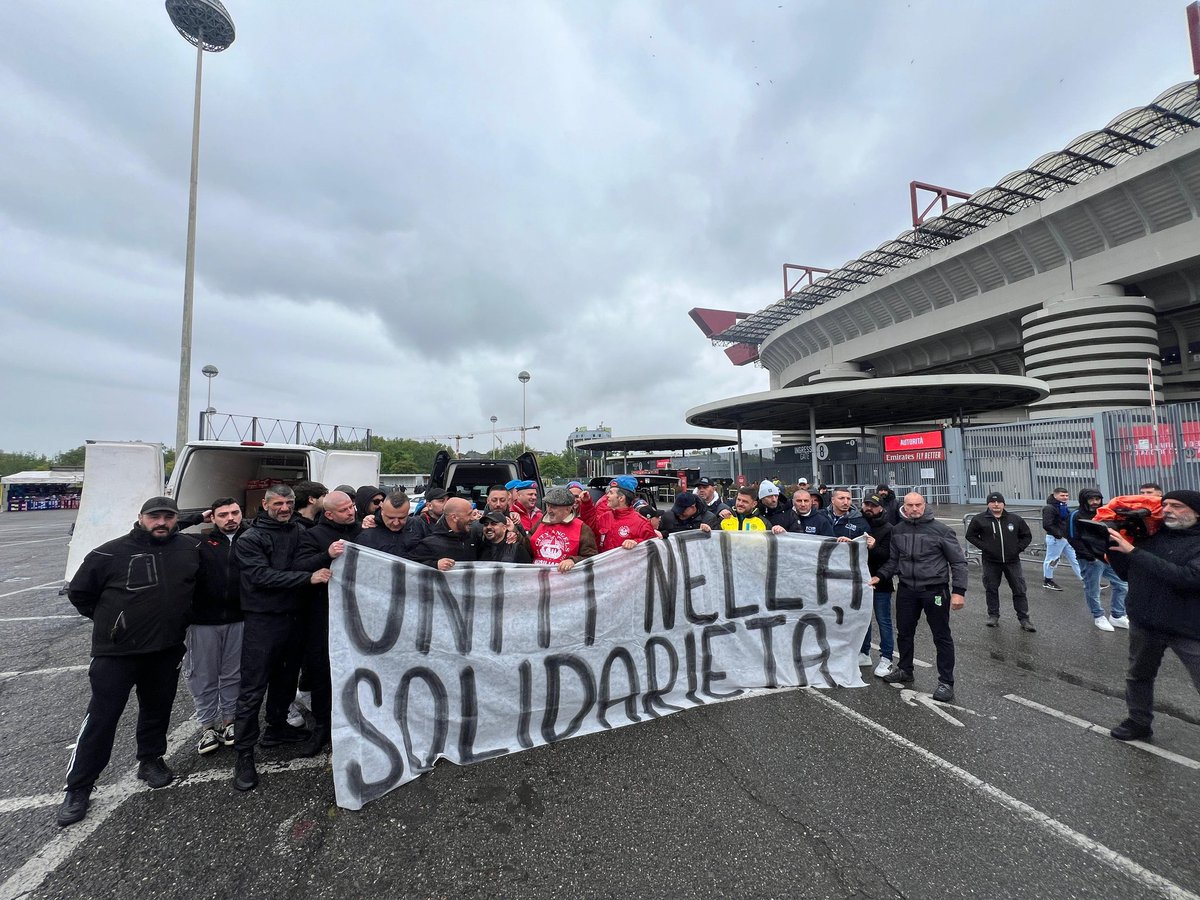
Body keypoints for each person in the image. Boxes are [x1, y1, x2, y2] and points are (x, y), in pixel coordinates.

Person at [57, 497, 199, 827]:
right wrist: (112, 622)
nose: (161, 522)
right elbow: (80, 593)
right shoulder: (109, 553)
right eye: (155, 516)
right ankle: (78, 786)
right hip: (116, 653)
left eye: (168, 516)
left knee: (157, 708)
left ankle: (150, 760)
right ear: (140, 517)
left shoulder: (189, 549)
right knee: (101, 718)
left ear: (176, 519)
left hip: (165, 649)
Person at [231, 485, 331, 792]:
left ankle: (276, 729)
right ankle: (244, 754)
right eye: (278, 503)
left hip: (295, 618)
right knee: (252, 688)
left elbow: (322, 545)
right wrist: (307, 578)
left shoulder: (300, 531)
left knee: (286, 680)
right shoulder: (250, 538)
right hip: (264, 620)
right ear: (265, 504)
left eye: (288, 502)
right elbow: (260, 576)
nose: (284, 507)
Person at [1106, 490, 1200, 741]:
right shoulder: (1151, 535)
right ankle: (1138, 721)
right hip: (1145, 621)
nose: (1168, 510)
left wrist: (1134, 552)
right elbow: (1128, 573)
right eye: (1165, 505)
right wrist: (1113, 548)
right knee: (1138, 675)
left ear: (1196, 512)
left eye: (1177, 506)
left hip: (1188, 627)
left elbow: (1190, 579)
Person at [875, 492, 967, 703]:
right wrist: (879, 576)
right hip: (907, 590)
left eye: (918, 505)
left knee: (941, 636)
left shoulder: (942, 531)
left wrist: (959, 592)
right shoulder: (897, 531)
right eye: (910, 505)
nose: (914, 509)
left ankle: (946, 681)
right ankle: (905, 669)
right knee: (904, 632)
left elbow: (958, 563)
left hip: (934, 591)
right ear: (904, 507)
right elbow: (894, 561)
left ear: (925, 505)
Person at [292, 491, 362, 756]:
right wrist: (326, 555)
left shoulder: (362, 530)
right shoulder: (312, 535)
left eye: (352, 507)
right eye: (344, 510)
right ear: (329, 513)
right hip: (324, 616)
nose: (351, 512)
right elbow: (299, 566)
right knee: (323, 673)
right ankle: (323, 725)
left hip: (359, 615)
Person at [187, 497, 247, 756]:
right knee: (202, 675)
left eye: (235, 513)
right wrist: (197, 517)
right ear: (213, 517)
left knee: (233, 673)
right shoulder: (198, 543)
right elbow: (156, 528)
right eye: (223, 514)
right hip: (203, 621)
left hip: (239, 617)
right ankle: (207, 726)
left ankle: (229, 721)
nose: (230, 518)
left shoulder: (250, 537)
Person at [965, 492, 1035, 632]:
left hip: (1012, 561)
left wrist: (1018, 549)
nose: (996, 505)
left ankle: (1024, 619)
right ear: (988, 504)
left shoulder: (1015, 519)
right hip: (991, 561)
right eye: (992, 502)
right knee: (991, 588)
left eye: (999, 502)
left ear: (1004, 504)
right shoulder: (979, 520)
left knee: (1019, 589)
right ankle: (993, 615)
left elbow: (1026, 536)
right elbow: (970, 536)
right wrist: (985, 547)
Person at [1068, 488, 1129, 631]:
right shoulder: (1076, 515)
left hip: (1108, 556)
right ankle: (1098, 616)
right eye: (1091, 499)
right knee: (1093, 588)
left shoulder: (1104, 512)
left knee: (1122, 585)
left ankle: (1117, 615)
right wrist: (1089, 556)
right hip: (1089, 559)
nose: (1095, 502)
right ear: (1084, 500)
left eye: (1097, 499)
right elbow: (1072, 537)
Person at [860, 494, 896, 677]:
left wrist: (874, 547)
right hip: (861, 581)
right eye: (866, 504)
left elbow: (890, 557)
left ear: (881, 508)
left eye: (873, 505)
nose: (868, 508)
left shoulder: (889, 528)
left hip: (881, 582)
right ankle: (864, 652)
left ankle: (887, 657)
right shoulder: (859, 523)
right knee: (863, 619)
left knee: (883, 620)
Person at [578, 475, 658, 550]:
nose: (607, 496)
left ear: (621, 498)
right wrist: (586, 504)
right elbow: (590, 527)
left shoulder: (642, 524)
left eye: (611, 493)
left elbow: (653, 548)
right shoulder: (605, 517)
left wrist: (637, 542)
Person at [528, 487, 598, 571]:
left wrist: (573, 561)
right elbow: (526, 548)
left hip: (566, 580)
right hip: (538, 580)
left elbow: (591, 558)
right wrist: (515, 531)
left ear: (568, 509)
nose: (549, 510)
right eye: (548, 506)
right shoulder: (540, 523)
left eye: (554, 507)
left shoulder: (583, 529)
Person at [412, 497, 480, 569]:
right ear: (454, 517)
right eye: (469, 514)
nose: (473, 518)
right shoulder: (430, 544)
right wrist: (435, 565)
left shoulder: (473, 538)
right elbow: (411, 567)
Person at [1040, 487, 1082, 591]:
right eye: (1062, 495)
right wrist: (1059, 535)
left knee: (1075, 559)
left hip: (1064, 538)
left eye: (1066, 495)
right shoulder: (1050, 508)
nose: (1065, 497)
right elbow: (1047, 524)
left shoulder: (1062, 506)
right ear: (1055, 495)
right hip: (1055, 538)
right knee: (1052, 560)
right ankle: (1048, 581)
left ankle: (1088, 580)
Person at [356, 492, 418, 558]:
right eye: (391, 518)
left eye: (401, 518)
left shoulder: (417, 527)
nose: (396, 523)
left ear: (408, 512)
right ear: (382, 511)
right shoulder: (367, 536)